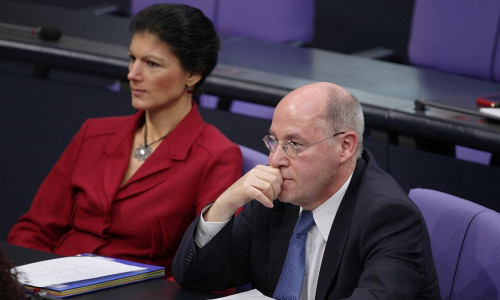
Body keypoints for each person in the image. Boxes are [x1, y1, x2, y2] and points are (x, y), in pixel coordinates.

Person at [8, 4, 242, 278]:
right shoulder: (93, 133)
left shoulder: (216, 156)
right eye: (132, 59)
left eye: (152, 64)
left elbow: (210, 268)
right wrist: (25, 280)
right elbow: (35, 229)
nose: (132, 74)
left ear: (193, 73)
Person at [172, 82, 441, 299]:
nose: (275, 159)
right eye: (274, 141)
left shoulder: (389, 217)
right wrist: (224, 205)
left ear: (345, 147)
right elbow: (197, 278)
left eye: (294, 144)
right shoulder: (276, 196)